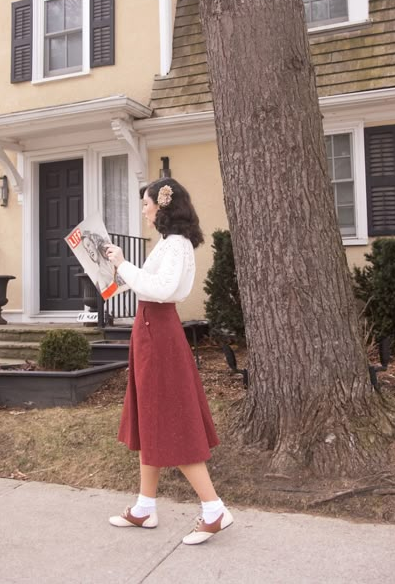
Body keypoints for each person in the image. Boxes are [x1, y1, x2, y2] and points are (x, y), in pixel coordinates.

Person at [105, 177, 233, 545]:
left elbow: (162, 290)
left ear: (162, 205)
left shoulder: (176, 245)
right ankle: (145, 507)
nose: (143, 211)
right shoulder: (167, 243)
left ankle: (214, 509)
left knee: (170, 419)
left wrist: (124, 264)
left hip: (159, 334)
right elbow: (149, 281)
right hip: (150, 333)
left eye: (146, 204)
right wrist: (114, 278)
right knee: (151, 418)